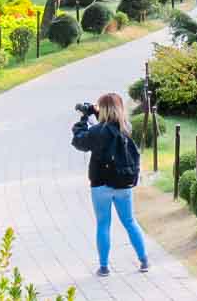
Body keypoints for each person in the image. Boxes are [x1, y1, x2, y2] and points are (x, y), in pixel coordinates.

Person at [71, 94, 149, 276]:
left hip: (101, 185)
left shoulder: (97, 132)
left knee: (103, 224)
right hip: (124, 184)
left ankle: (104, 267)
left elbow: (79, 140)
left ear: (103, 109)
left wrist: (84, 117)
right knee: (130, 222)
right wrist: (96, 114)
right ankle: (144, 260)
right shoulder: (126, 128)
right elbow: (110, 129)